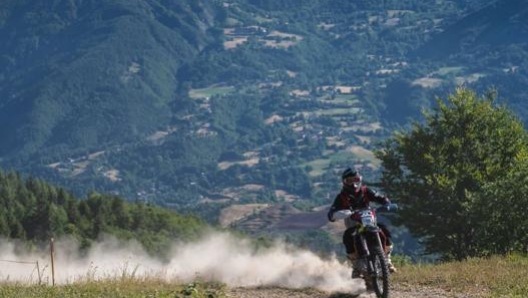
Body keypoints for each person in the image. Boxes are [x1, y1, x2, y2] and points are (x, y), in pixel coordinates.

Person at [327, 168, 397, 278]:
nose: (354, 184)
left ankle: (387, 259)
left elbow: (382, 198)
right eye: (350, 181)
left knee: (384, 230)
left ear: (360, 179)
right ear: (345, 182)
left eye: (356, 180)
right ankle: (355, 265)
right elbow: (331, 212)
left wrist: (387, 204)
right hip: (354, 225)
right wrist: (336, 214)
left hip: (370, 223)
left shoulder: (365, 191)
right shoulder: (341, 196)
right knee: (347, 237)